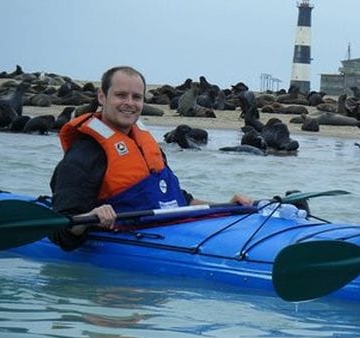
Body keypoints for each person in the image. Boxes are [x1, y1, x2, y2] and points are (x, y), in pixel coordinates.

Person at [50, 65, 252, 250]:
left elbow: (176, 200)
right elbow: (62, 233)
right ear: (102, 97)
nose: (129, 103)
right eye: (121, 95)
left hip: (169, 231)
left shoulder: (146, 144)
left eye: (136, 97)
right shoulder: (83, 155)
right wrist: (91, 217)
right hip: (128, 250)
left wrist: (226, 206)